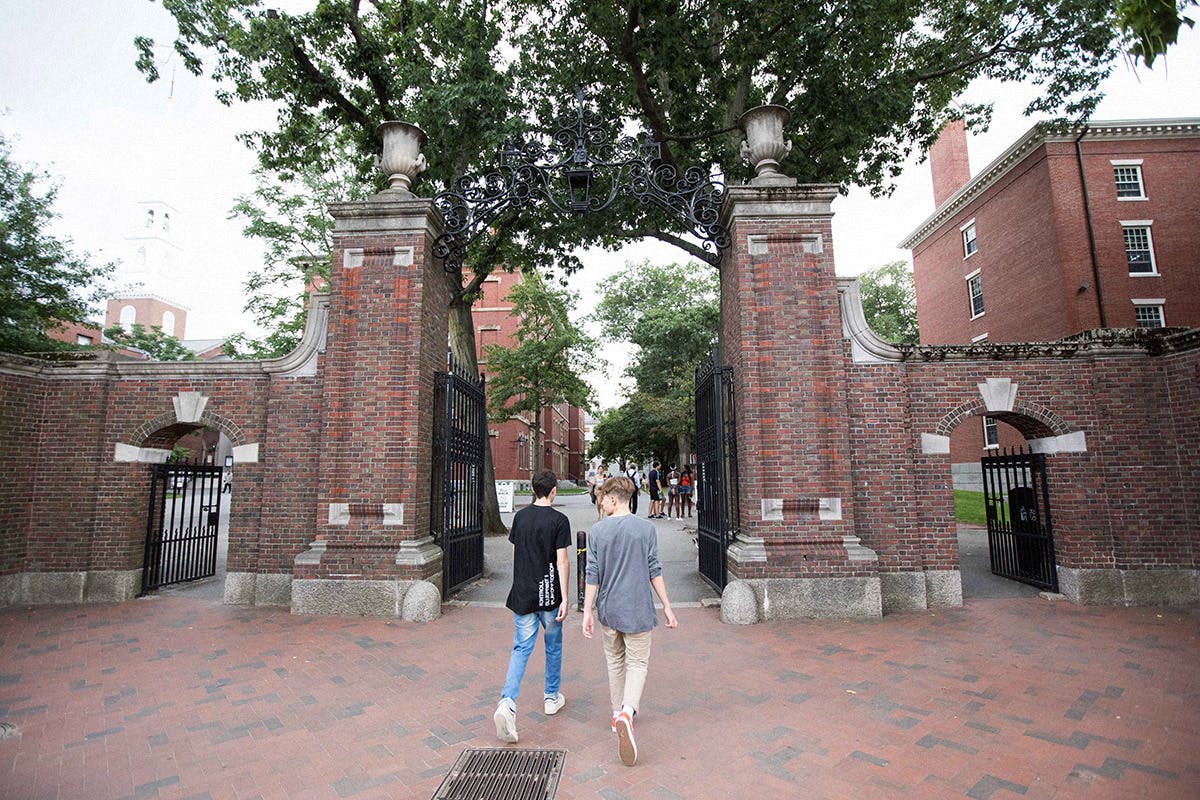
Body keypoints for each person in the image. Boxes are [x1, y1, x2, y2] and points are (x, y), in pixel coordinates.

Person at [582, 475, 678, 767]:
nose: (601, 503)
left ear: (613, 499)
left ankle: (615, 714)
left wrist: (587, 610)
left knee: (614, 661)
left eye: (603, 498)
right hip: (638, 607)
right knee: (637, 663)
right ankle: (628, 711)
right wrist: (667, 606)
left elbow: (592, 574)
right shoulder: (645, 529)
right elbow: (654, 570)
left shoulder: (597, 531)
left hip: (609, 609)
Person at [494, 469, 571, 744]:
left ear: (532, 489)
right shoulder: (559, 520)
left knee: (520, 648)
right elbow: (562, 561)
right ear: (553, 491)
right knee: (553, 646)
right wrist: (565, 596)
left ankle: (507, 702)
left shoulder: (520, 517)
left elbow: (515, 554)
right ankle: (551, 697)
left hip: (524, 593)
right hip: (549, 593)